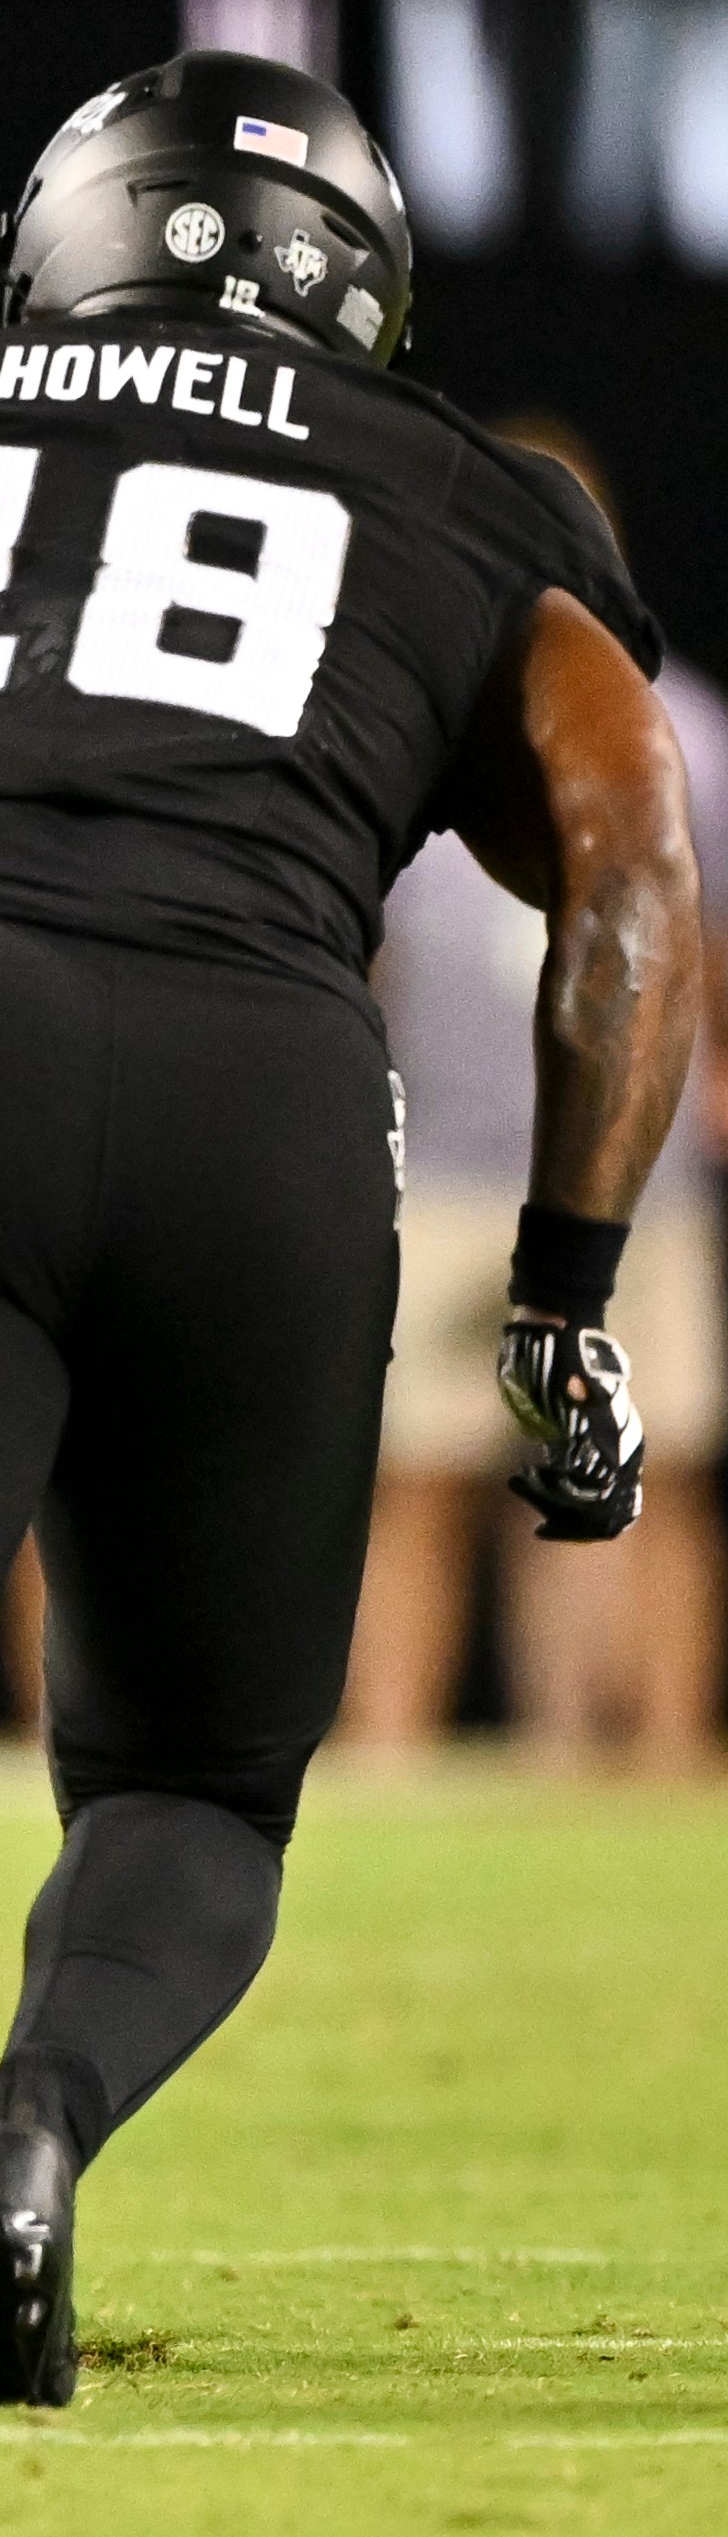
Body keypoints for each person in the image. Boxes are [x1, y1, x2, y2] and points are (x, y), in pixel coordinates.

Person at [0, 54, 699, 2414]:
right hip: (268, 1084)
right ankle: (25, 2149)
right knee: (189, 1785)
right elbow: (632, 859)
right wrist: (570, 1288)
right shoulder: (470, 496)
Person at [347, 426, 728, 1772]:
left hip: (628, 1176)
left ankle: (657, 1770)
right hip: (436, 1169)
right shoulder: (391, 723)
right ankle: (383, 1763)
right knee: (409, 1488)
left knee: (640, 1482)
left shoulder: (692, 734)